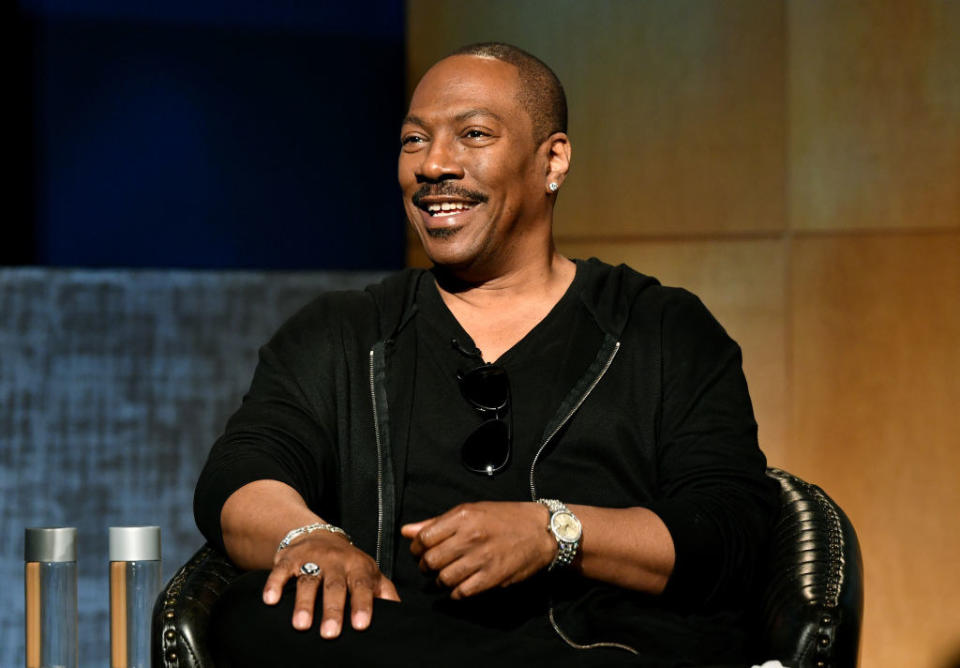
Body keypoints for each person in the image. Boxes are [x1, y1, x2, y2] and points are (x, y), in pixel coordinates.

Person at [194, 42, 779, 667]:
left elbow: (729, 529)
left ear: (552, 160)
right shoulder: (344, 332)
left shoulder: (661, 329)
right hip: (397, 642)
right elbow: (242, 472)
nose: (433, 165)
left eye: (472, 134)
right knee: (253, 613)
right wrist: (309, 538)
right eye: (413, 141)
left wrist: (554, 533)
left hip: (609, 645)